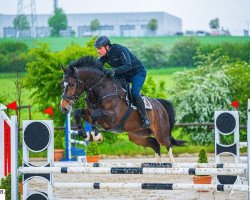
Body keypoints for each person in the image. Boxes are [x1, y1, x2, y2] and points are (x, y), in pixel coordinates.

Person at [94, 35, 151, 129]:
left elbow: (128, 66)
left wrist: (113, 71)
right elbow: (96, 66)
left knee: (135, 94)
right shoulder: (104, 56)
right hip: (123, 74)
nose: (98, 51)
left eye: (100, 48)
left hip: (137, 73)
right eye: (97, 49)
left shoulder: (120, 49)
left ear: (107, 47)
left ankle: (145, 118)